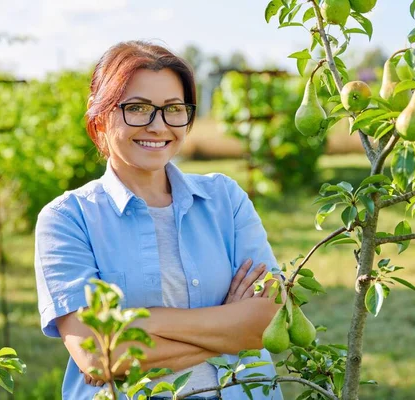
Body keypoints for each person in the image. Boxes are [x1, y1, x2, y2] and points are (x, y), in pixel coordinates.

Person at [34, 40, 284, 400]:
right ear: (100, 114)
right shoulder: (67, 220)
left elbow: (269, 320)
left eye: (173, 109)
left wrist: (143, 320)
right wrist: (232, 328)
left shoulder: (224, 199)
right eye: (137, 108)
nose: (157, 126)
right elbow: (97, 357)